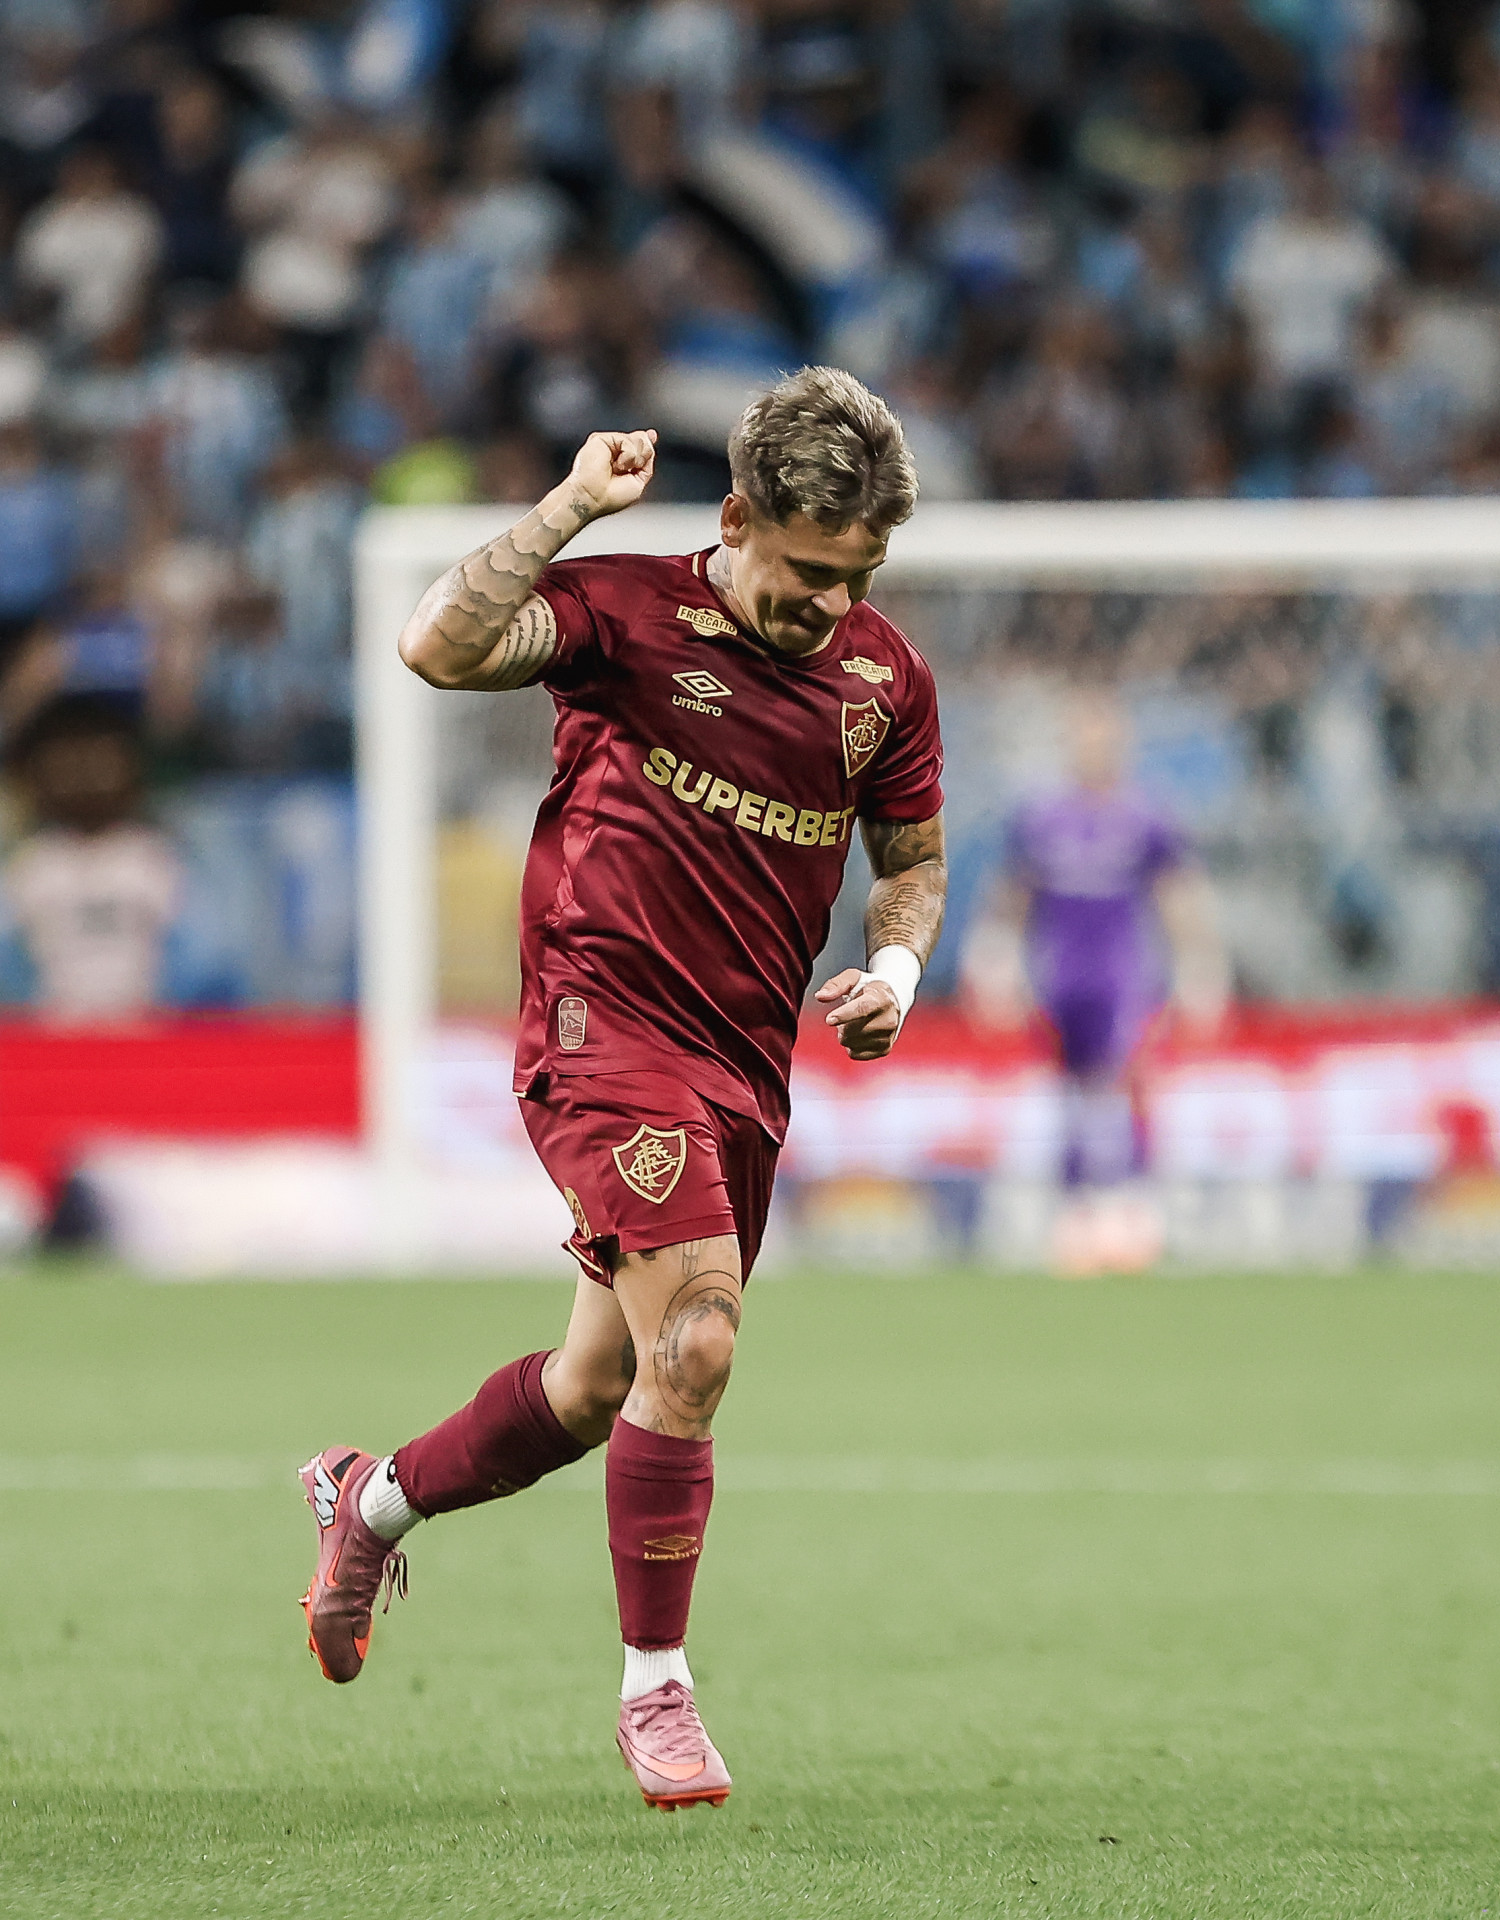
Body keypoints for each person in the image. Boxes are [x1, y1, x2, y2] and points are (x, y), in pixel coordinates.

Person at [298, 367, 946, 1809]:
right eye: (811, 570)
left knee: (604, 1385)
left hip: (740, 1066)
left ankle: (373, 1500)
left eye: (863, 575)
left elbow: (912, 866)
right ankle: (659, 1694)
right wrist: (573, 508)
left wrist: (894, 978)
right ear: (735, 515)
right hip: (600, 1030)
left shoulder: (881, 679)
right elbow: (435, 643)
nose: (834, 604)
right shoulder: (627, 615)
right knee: (701, 1342)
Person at [963, 691, 1227, 1274]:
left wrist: (1200, 967)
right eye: (1084, 737)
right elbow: (1014, 890)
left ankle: (1131, 1210)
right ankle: (1079, 1213)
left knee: (1120, 1088)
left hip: (1124, 976)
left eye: (1104, 738)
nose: (1094, 749)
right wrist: (995, 956)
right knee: (1071, 1096)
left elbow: (1176, 893)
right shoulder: (1041, 815)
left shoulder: (1146, 815)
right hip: (1059, 976)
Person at [1, 694, 182, 1021]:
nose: (84, 776)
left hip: (142, 1031)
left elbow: (198, 964)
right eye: (66, 765)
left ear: (132, 769)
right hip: (50, 1035)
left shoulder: (155, 858)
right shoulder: (28, 865)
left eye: (101, 762)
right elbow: (8, 964)